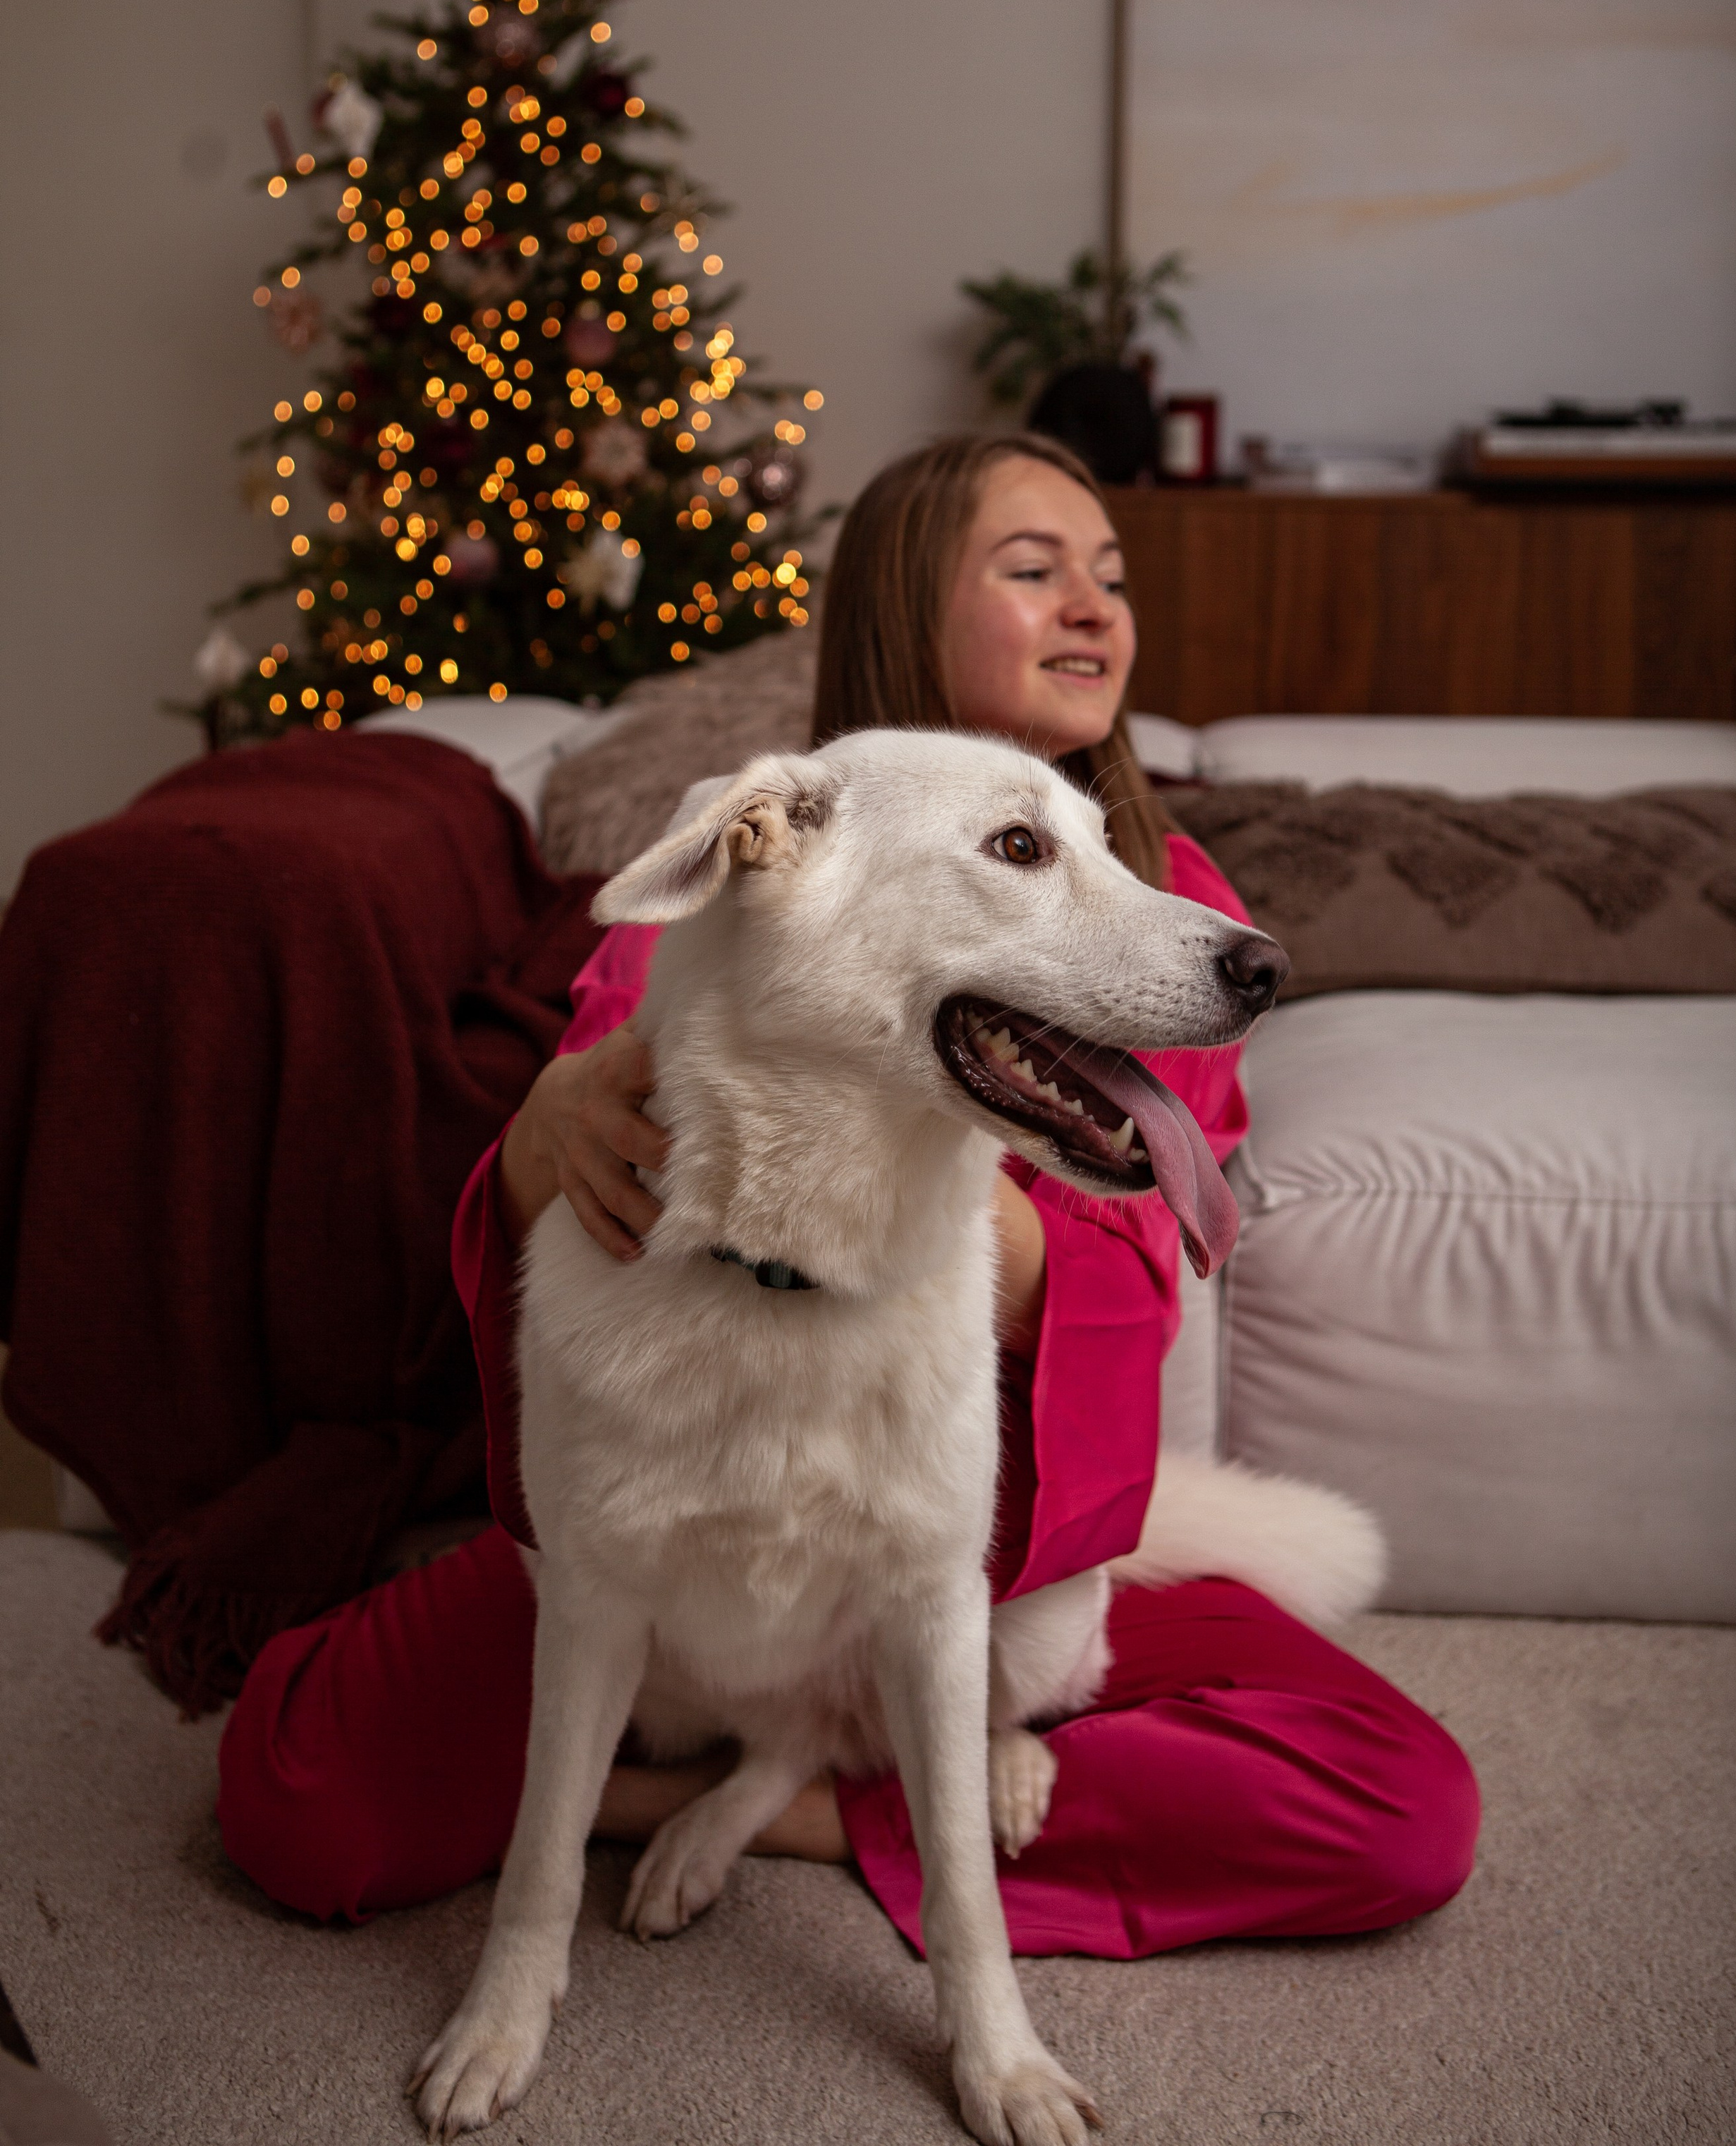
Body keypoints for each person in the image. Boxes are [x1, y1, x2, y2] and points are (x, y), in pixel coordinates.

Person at [218, 432, 1479, 1953]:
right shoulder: (758, 875)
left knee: (1394, 1806)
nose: (1093, 606)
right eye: (1032, 570)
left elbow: (1139, 1281)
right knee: (295, 1784)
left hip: (964, 1532)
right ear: (899, 607)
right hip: (677, 1504)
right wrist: (547, 1132)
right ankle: (732, 1781)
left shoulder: (1171, 907)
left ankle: (831, 1808)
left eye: (1112, 575)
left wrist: (947, 1152)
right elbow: (587, 1208)